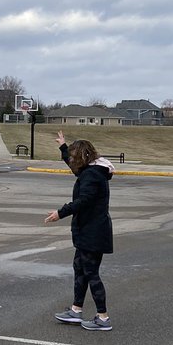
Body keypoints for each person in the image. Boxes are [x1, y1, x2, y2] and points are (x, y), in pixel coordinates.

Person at [44, 130, 114, 331]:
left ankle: (103, 317)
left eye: (74, 156)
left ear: (83, 156)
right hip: (89, 231)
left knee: (91, 273)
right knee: (80, 269)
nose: (72, 161)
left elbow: (83, 201)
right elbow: (76, 169)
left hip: (93, 232)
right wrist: (63, 147)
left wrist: (60, 212)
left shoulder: (92, 176)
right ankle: (76, 311)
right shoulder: (91, 170)